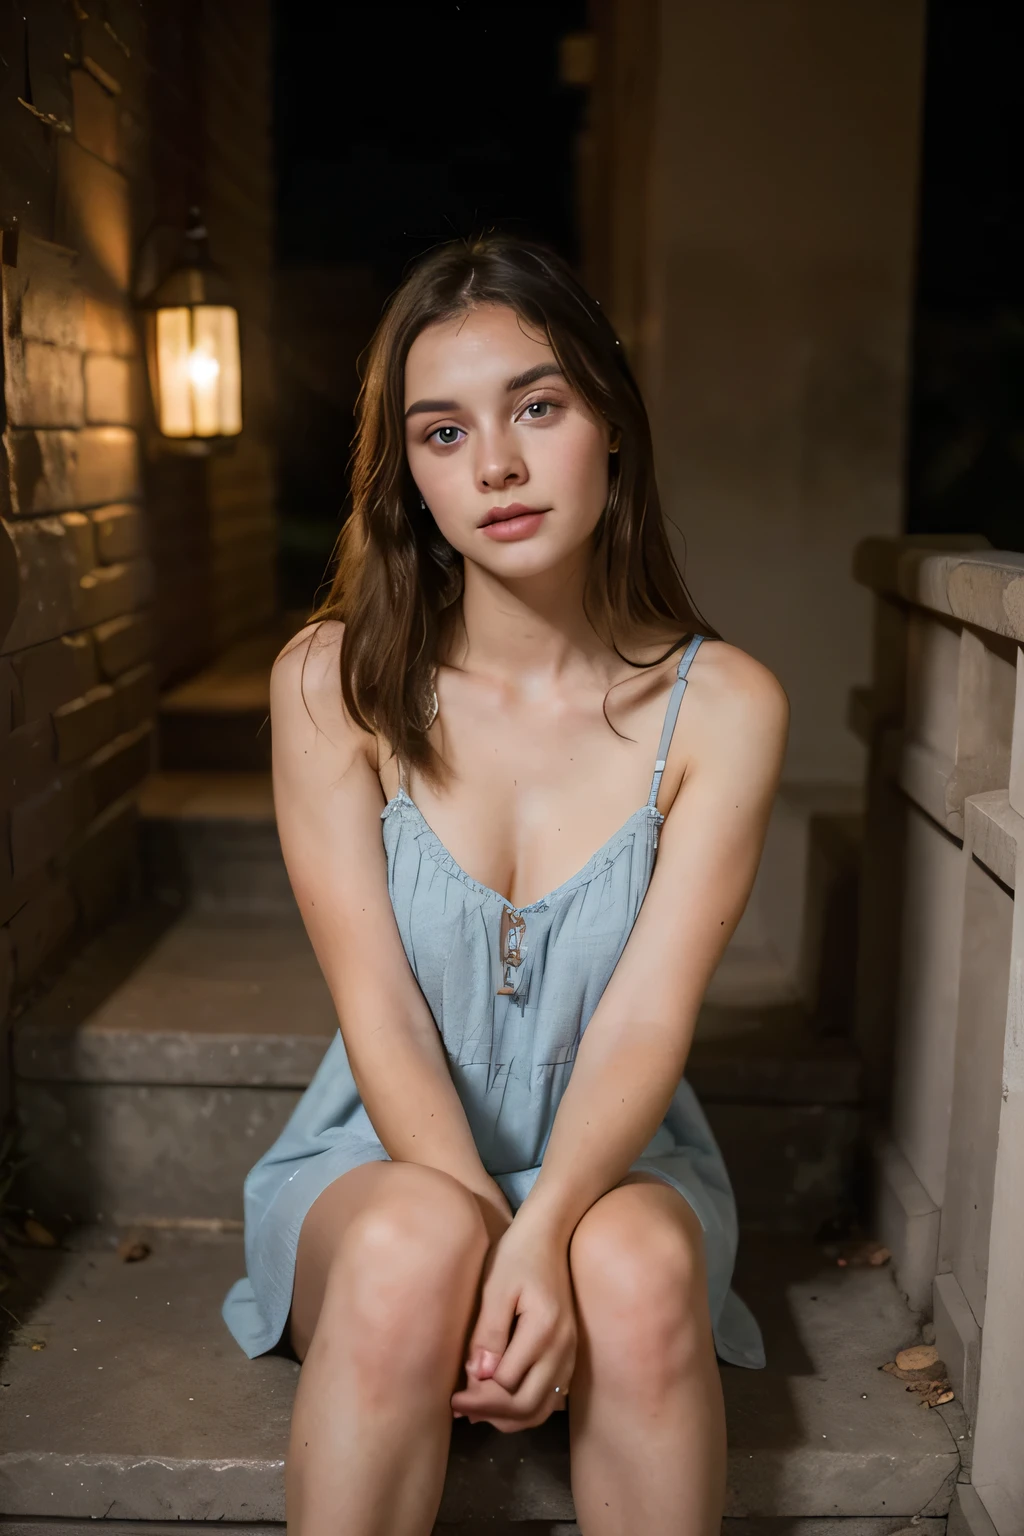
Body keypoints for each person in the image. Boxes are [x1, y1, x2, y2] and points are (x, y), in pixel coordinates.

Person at [223, 234, 788, 1536]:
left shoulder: (723, 708)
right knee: (416, 1245)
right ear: (408, 475)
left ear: (611, 427)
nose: (496, 465)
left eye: (538, 406)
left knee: (640, 1272)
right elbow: (379, 1005)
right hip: (380, 1156)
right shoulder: (332, 686)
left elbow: (648, 1017)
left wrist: (543, 1237)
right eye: (440, 432)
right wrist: (484, 1230)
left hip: (615, 1156)